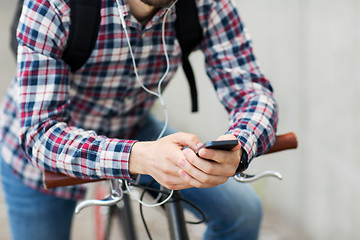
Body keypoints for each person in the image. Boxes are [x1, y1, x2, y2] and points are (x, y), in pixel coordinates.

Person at [0, 0, 278, 239]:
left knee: (243, 212)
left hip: (131, 127)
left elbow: (253, 93)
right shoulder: (55, 5)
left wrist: (240, 147)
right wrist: (137, 156)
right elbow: (40, 134)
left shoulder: (205, 5)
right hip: (42, 154)